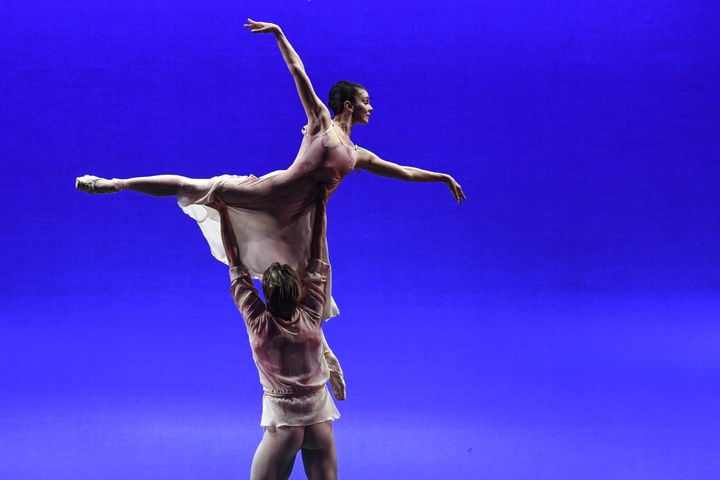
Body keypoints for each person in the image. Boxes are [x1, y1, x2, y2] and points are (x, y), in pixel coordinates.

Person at [76, 19, 466, 398]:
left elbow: (403, 172)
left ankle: (326, 357)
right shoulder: (321, 125)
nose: (372, 107)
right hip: (269, 193)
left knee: (312, 291)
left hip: (302, 222)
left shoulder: (357, 154)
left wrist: (441, 177)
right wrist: (279, 34)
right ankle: (114, 183)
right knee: (194, 187)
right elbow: (299, 74)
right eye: (366, 101)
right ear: (348, 104)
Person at [222, 183, 339, 480]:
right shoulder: (312, 313)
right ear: (298, 290)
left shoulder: (259, 324)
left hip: (284, 426)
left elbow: (236, 265)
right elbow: (317, 254)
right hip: (319, 421)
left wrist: (224, 212)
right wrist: (320, 205)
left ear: (267, 296)